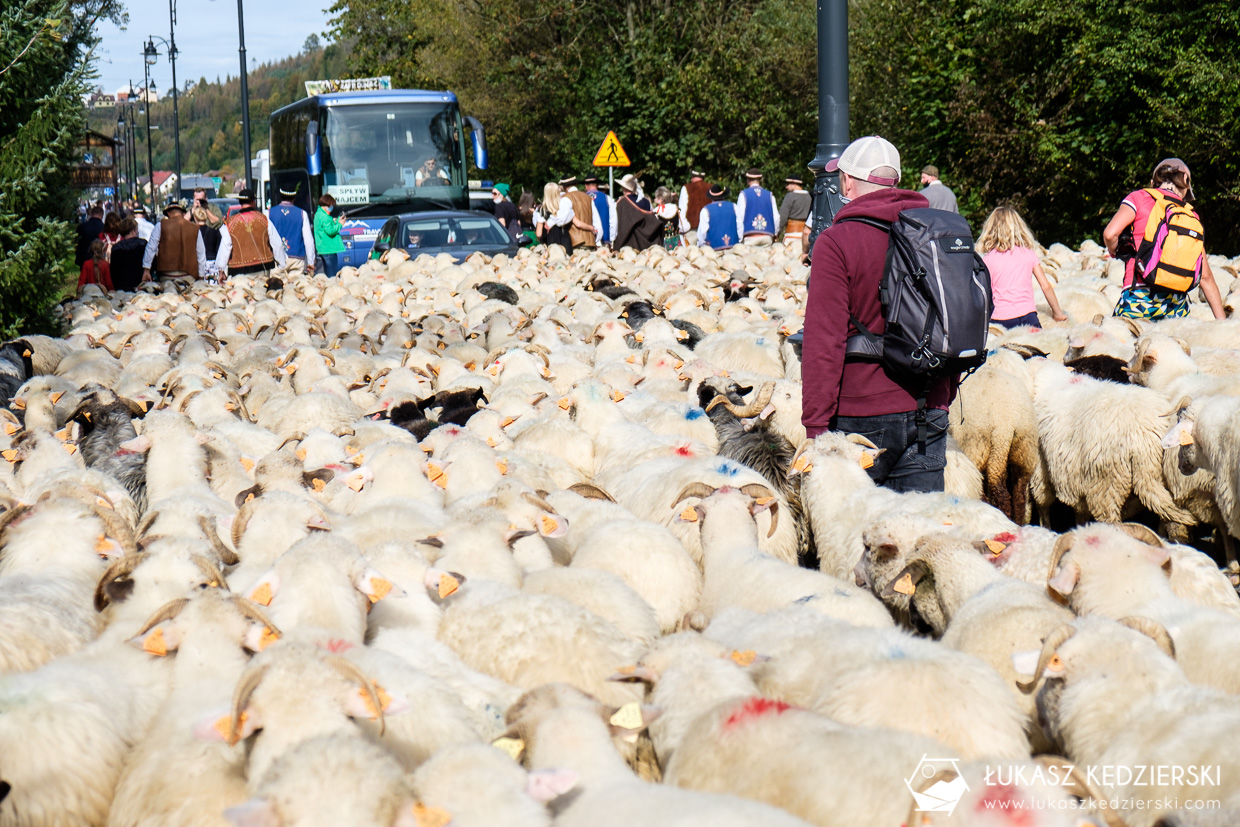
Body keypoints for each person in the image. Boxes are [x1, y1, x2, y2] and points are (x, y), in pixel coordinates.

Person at [802, 135, 954, 493]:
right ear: (896, 182)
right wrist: (941, 401)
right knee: (918, 539)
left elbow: (825, 339)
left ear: (847, 181)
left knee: (858, 538)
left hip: (862, 416)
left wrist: (815, 427)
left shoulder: (837, 241)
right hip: (929, 408)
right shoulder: (933, 232)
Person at [1103, 158, 1225, 320]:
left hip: (1139, 299)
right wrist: (1223, 323)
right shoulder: (1190, 214)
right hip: (1176, 306)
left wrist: (1115, 250)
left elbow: (1110, 234)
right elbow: (1205, 276)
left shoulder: (1139, 197)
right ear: (1186, 185)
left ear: (1153, 182)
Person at [977, 206, 1068, 329]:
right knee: (1037, 346)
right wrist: (1058, 314)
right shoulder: (1029, 255)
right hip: (1028, 317)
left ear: (990, 230)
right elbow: (1046, 286)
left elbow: (983, 292)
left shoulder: (987, 260)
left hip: (1000, 319)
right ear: (1019, 228)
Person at [216, 188, 287, 278]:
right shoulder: (264, 220)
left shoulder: (230, 223)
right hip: (263, 268)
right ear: (253, 202)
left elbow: (225, 247)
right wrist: (282, 263)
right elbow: (277, 244)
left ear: (240, 202)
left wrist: (221, 270)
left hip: (238, 270)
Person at [141, 202, 208, 287]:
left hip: (166, 276)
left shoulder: (160, 226)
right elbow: (201, 254)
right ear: (183, 214)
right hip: (188, 276)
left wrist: (146, 270)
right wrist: (201, 276)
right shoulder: (195, 228)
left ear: (168, 214)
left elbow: (151, 248)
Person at [269, 187, 316, 274]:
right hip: (296, 259)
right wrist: (310, 262)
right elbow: (308, 240)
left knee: (276, 286)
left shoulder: (269, 213)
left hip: (276, 259)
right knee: (297, 286)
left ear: (280, 196)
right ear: (295, 197)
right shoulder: (302, 213)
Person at [614, 175, 661, 250]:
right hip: (647, 244)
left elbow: (615, 223)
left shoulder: (621, 202)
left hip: (628, 244)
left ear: (624, 187)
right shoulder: (646, 201)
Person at [734, 168, 778, 246]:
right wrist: (775, 233)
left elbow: (740, 218)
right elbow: (776, 217)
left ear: (748, 180)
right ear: (760, 180)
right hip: (767, 235)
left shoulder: (744, 194)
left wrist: (740, 238)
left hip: (750, 236)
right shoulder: (770, 195)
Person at [533, 182, 574, 255]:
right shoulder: (563, 208)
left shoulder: (541, 210)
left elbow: (539, 234)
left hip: (549, 245)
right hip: (565, 244)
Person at [109, 217, 147, 291]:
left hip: (122, 285)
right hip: (140, 284)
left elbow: (113, 270)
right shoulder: (143, 244)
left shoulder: (116, 247)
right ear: (133, 231)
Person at [564, 178, 602, 251]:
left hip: (576, 242)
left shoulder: (566, 198)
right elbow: (597, 221)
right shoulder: (588, 198)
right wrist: (597, 240)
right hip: (590, 242)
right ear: (575, 185)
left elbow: (562, 220)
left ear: (565, 187)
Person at [313, 193, 346, 278]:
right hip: (329, 249)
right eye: (331, 205)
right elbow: (330, 231)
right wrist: (340, 224)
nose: (332, 207)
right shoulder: (324, 216)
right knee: (332, 276)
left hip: (323, 248)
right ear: (326, 204)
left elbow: (327, 227)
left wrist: (337, 220)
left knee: (328, 275)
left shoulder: (319, 214)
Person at [697, 184, 738, 250]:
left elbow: (702, 233)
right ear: (723, 195)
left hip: (714, 249)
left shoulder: (706, 210)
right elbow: (740, 226)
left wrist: (701, 245)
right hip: (733, 247)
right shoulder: (734, 206)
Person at [677, 170, 711, 246]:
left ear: (692, 177)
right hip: (709, 229)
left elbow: (682, 210)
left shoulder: (686, 188)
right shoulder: (710, 187)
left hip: (692, 229)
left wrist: (684, 228)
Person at [778, 176, 812, 246]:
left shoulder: (790, 196)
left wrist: (778, 233)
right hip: (807, 234)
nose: (786, 187)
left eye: (788, 184)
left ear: (794, 184)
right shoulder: (810, 196)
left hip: (791, 234)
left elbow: (783, 217)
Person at [584, 177, 616, 247]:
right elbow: (613, 220)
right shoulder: (607, 198)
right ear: (597, 185)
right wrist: (611, 239)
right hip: (603, 240)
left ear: (586, 186)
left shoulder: (581, 198)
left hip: (586, 240)